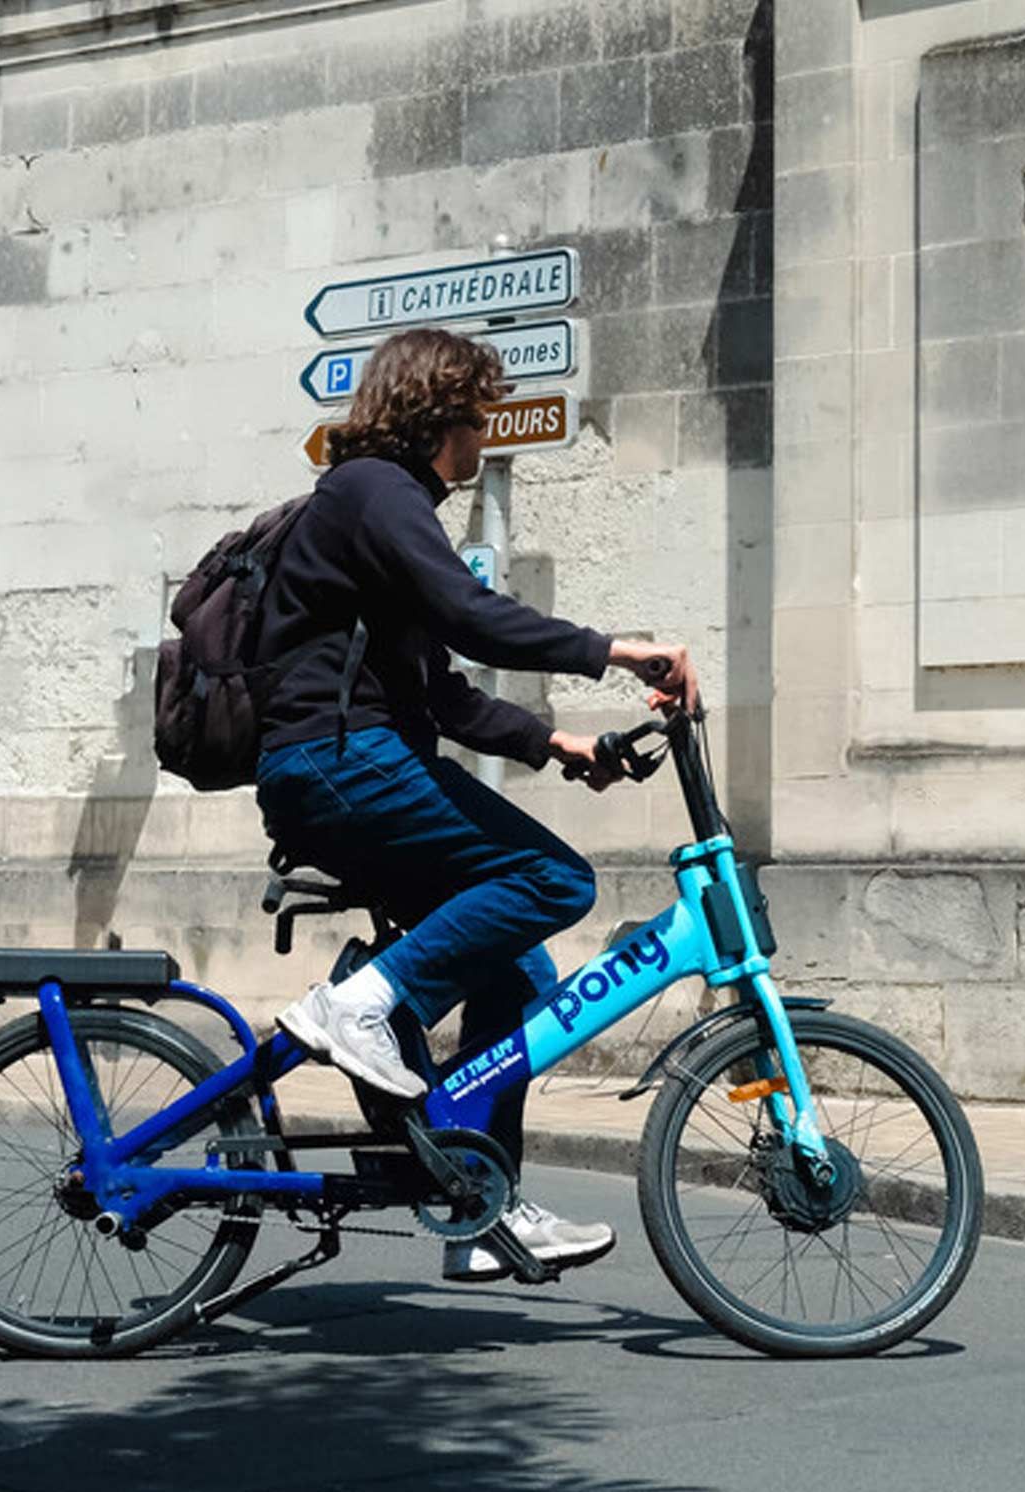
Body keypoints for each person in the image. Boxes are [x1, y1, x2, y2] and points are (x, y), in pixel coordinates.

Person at [250, 326, 695, 1283]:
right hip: (340, 764)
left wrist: (554, 743)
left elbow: (440, 689)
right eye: (476, 420)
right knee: (552, 879)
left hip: (354, 761)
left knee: (518, 976)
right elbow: (469, 614)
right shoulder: (373, 491)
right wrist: (620, 650)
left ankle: (479, 1207)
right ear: (436, 415)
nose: (483, 441)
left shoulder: (385, 506)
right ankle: (361, 1002)